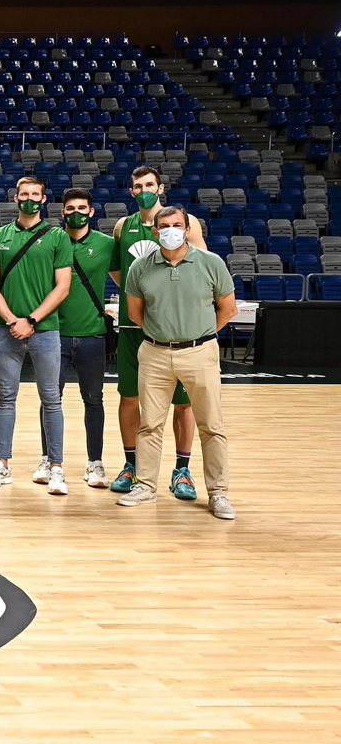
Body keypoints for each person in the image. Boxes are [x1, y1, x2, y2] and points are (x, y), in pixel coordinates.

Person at [117, 205, 237, 519]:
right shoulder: (140, 267)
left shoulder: (211, 263)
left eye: (178, 224)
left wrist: (199, 336)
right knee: (150, 425)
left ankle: (219, 493)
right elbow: (134, 314)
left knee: (211, 425)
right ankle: (145, 486)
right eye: (165, 225)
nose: (171, 230)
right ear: (155, 231)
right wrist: (165, 334)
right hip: (155, 352)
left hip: (200, 351)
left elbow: (227, 309)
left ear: (187, 229)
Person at [109, 165, 208, 501]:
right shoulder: (123, 226)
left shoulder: (184, 223)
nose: (143, 190)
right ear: (131, 191)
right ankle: (131, 465)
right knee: (128, 397)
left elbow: (203, 266)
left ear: (161, 188)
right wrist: (142, 295)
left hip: (173, 330)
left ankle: (182, 470)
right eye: (137, 186)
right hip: (131, 326)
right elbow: (116, 268)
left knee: (183, 402)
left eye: (149, 184)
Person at [0, 175, 73, 493]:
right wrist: (10, 320)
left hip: (46, 331)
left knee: (51, 399)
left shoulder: (58, 236)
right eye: (24, 194)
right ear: (16, 198)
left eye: (36, 193)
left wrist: (31, 319)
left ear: (44, 199)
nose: (30, 198)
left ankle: (56, 467)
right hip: (7, 332)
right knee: (5, 399)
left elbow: (63, 286)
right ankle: (1, 463)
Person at [45, 188, 116, 489]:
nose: (76, 212)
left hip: (92, 336)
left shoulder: (107, 244)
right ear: (62, 212)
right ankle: (49, 460)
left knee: (94, 401)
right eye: (70, 207)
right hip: (54, 334)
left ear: (91, 212)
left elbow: (127, 280)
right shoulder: (49, 241)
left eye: (82, 207)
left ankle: (95, 463)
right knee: (51, 399)